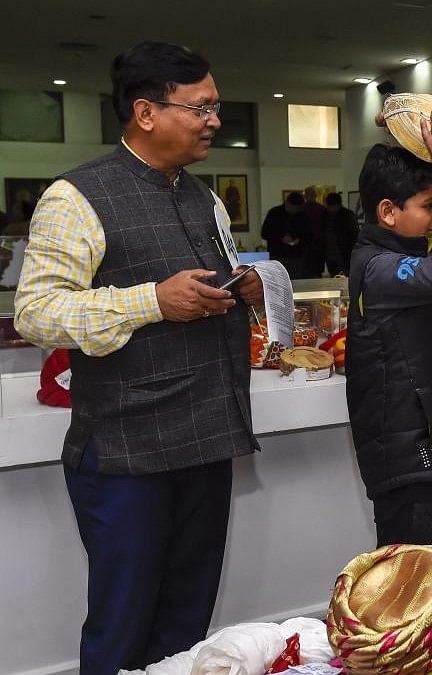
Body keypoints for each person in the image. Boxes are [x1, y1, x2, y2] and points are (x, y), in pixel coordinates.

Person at [13, 41, 263, 673]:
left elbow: (203, 289)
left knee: (187, 620)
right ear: (146, 112)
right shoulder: (76, 197)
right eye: (200, 108)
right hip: (127, 450)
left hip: (206, 435)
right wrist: (151, 301)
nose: (214, 120)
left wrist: (240, 290)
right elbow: (37, 313)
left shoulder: (203, 197)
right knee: (123, 623)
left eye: (216, 106)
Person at [347, 111, 432, 547]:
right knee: (408, 566)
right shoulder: (381, 269)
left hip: (420, 436)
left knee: (414, 561)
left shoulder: (405, 255)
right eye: (429, 205)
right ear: (387, 212)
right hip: (406, 447)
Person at [261, 192, 310, 278]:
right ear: (287, 203)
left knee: (296, 283)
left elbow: (309, 235)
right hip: (277, 256)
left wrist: (299, 239)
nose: (293, 211)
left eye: (296, 209)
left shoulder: (303, 215)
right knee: (278, 282)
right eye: (291, 208)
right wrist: (281, 238)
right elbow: (264, 233)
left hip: (297, 257)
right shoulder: (274, 213)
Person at [313, 191, 358, 277]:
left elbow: (354, 235)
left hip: (343, 253)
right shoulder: (324, 215)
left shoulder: (347, 215)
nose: (331, 208)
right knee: (334, 275)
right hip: (330, 253)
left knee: (344, 276)